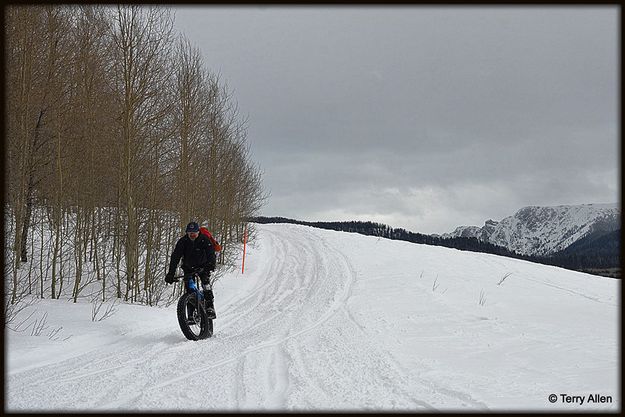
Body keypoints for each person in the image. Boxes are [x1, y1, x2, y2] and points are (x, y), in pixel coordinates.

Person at [165, 221, 217, 319]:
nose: (192, 235)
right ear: (187, 233)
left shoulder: (204, 239)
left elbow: (211, 253)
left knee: (206, 284)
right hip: (188, 267)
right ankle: (191, 313)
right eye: (190, 233)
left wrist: (210, 265)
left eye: (194, 232)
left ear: (198, 232)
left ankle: (210, 307)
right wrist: (170, 274)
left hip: (203, 266)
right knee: (189, 289)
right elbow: (175, 257)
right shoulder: (183, 241)